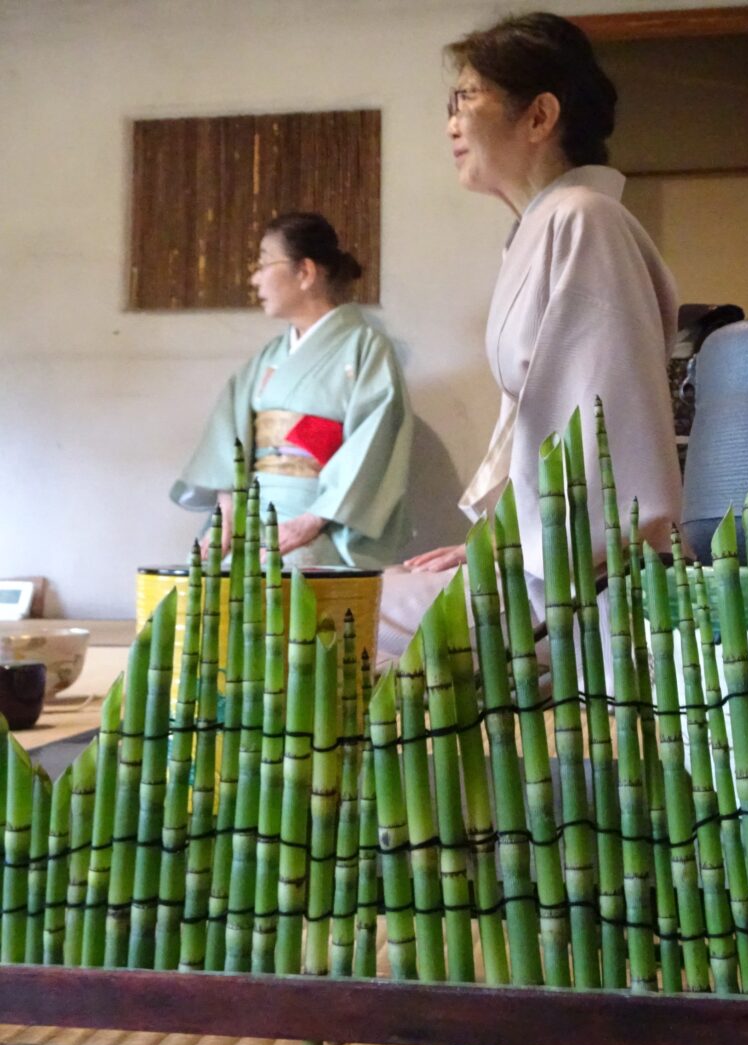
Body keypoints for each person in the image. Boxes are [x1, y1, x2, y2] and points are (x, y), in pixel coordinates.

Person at [376, 12, 681, 659]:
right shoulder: (548, 225)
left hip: (581, 589)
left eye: (468, 99)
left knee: (318, 618)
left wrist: (515, 555)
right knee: (347, 597)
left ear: (539, 117)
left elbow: (594, 433)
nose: (451, 122)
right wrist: (489, 542)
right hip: (548, 562)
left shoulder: (584, 221)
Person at [172, 213, 413, 567]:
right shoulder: (266, 359)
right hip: (251, 516)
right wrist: (226, 516)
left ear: (305, 272)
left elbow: (373, 445)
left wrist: (313, 520)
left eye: (263, 263)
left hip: (322, 519)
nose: (254, 278)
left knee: (288, 574)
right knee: (208, 576)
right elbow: (226, 443)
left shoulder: (366, 349)